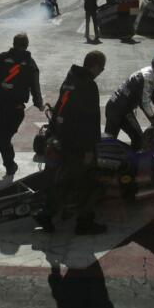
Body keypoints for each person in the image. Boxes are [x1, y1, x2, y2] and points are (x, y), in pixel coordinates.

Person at [36, 49, 107, 235]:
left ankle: (47, 213)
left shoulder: (69, 81)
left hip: (60, 136)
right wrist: (90, 150)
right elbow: (90, 121)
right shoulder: (88, 85)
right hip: (76, 142)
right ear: (95, 66)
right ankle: (84, 223)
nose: (101, 72)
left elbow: (59, 107)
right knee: (90, 181)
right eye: (102, 68)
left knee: (57, 179)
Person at [0, 33, 44, 184]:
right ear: (27, 45)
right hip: (16, 106)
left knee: (2, 135)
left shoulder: (1, 58)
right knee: (5, 135)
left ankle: (1, 160)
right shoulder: (30, 64)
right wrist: (39, 103)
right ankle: (4, 162)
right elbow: (35, 86)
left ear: (14, 44)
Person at [104, 50, 154, 151]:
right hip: (121, 111)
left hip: (114, 107)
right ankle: (132, 164)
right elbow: (144, 103)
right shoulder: (148, 78)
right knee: (138, 139)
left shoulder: (150, 73)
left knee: (109, 141)